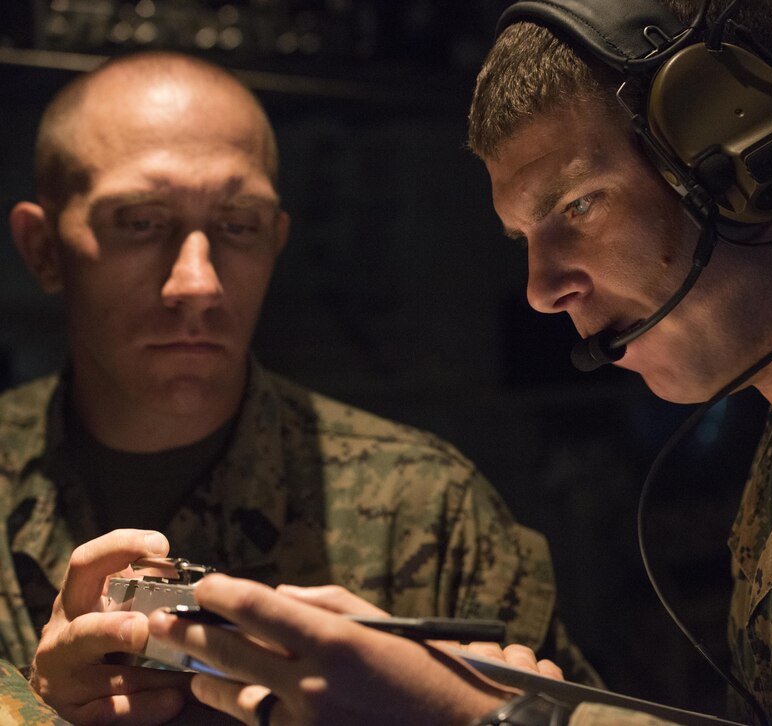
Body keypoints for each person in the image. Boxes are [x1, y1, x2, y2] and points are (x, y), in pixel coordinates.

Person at [128, 0, 772, 724]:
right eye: (522, 240)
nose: (542, 289)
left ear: (744, 148)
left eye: (576, 206)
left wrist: (484, 719)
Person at [0, 50, 598, 724]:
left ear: (275, 240)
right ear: (43, 248)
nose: (198, 283)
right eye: (140, 222)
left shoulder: (427, 509)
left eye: (238, 226)